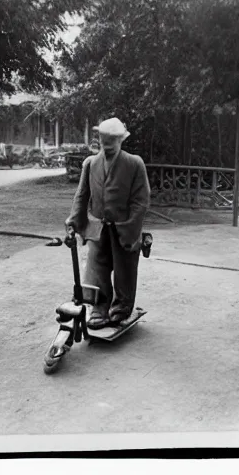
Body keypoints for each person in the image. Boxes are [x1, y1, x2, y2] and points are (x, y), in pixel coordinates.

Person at [65, 117, 151, 329]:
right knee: (97, 270)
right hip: (98, 228)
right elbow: (81, 195)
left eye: (112, 140)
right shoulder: (90, 163)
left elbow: (141, 201)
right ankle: (99, 308)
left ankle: (121, 308)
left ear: (121, 140)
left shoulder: (134, 163)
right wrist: (73, 222)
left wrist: (131, 229)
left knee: (125, 271)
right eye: (104, 140)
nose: (107, 144)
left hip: (124, 227)